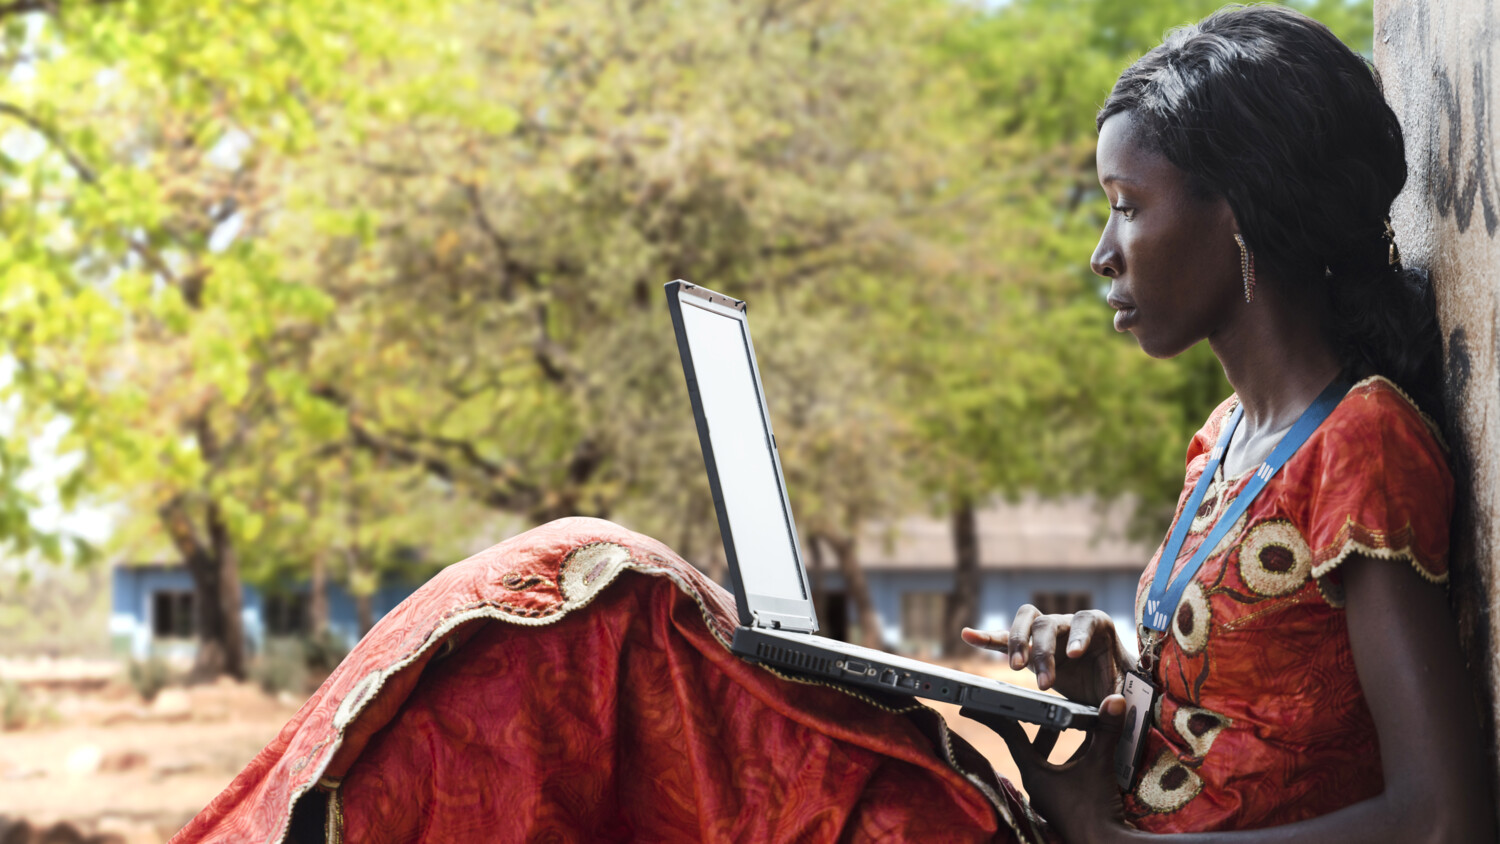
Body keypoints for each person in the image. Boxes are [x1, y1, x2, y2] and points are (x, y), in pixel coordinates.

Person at [960, 5, 1495, 843]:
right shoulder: (1223, 438)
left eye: (1127, 206)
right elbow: (1244, 728)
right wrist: (1116, 679)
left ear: (1238, 211)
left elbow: (1444, 818)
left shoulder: (1360, 443)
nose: (1103, 253)